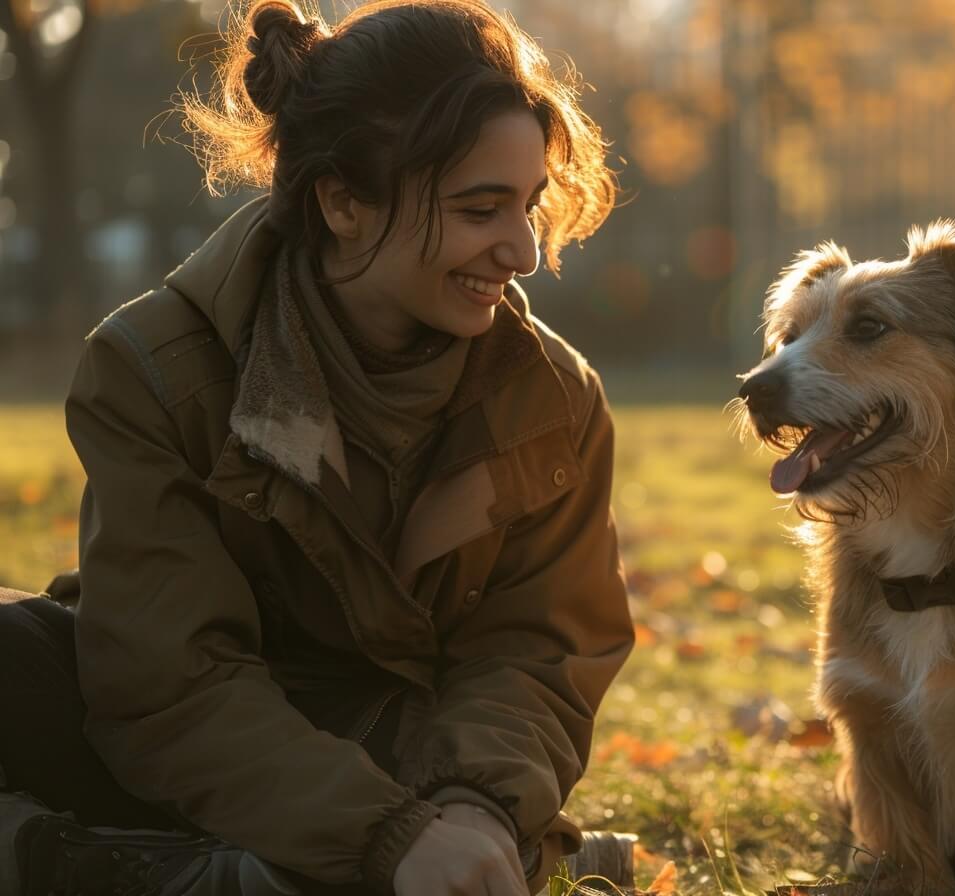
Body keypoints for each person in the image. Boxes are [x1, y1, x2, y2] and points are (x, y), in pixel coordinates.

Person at [0, 0, 634, 893]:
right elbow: (167, 682)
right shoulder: (150, 368)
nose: (523, 252)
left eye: (528, 206)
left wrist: (466, 816)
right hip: (183, 744)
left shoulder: (554, 406)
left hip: (406, 755)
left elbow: (535, 661)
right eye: (480, 208)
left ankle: (114, 871)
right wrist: (387, 838)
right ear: (343, 202)